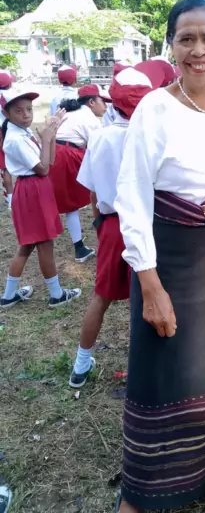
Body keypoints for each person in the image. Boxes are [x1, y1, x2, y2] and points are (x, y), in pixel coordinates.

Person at [114, 0, 205, 513]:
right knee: (162, 380)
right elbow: (132, 197)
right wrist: (150, 287)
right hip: (169, 264)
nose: (198, 50)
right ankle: (143, 491)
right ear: (171, 45)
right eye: (186, 39)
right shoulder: (155, 108)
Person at [69, 68, 153, 389]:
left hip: (113, 225)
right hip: (146, 224)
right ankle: (144, 368)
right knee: (144, 299)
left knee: (101, 297)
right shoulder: (151, 137)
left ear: (113, 102)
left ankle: (80, 365)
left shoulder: (101, 137)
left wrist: (98, 222)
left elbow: (92, 191)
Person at [0, 90, 82, 309]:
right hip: (32, 190)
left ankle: (8, 295)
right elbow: (43, 169)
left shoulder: (22, 132)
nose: (26, 114)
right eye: (18, 111)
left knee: (28, 245)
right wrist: (45, 139)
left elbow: (50, 160)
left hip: (35, 188)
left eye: (29, 109)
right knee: (44, 243)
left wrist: (51, 136)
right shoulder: (15, 139)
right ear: (6, 114)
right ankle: (56, 295)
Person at [49, 84, 110, 263]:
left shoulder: (71, 112)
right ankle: (81, 246)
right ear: (91, 102)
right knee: (72, 202)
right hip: (66, 155)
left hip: (54, 151)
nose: (106, 106)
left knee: (66, 203)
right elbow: (100, 150)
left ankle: (79, 247)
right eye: (102, 101)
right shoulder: (89, 118)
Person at [0, 69, 14, 208]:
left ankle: (9, 197)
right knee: (7, 168)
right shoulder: (11, 95)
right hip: (8, 131)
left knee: (4, 168)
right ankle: (11, 200)